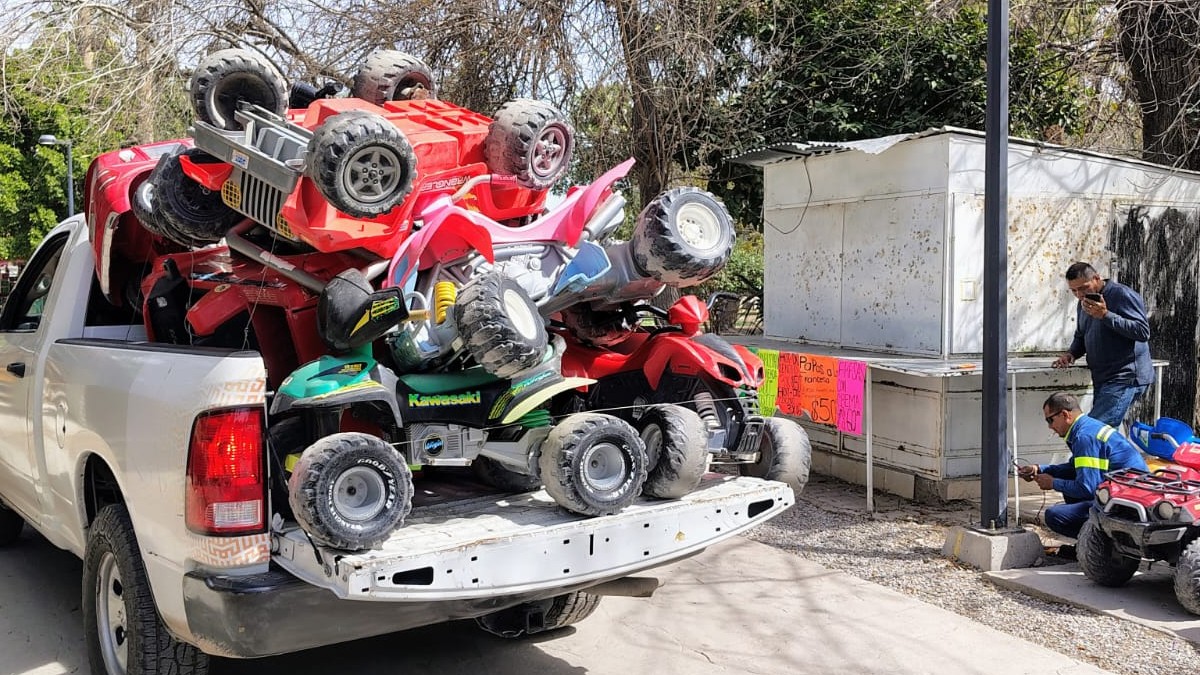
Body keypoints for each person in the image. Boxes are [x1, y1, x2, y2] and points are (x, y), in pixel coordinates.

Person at [1018, 392, 1147, 545]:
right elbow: (1075, 468)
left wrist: (1053, 483)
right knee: (1069, 480)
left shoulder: (1084, 437)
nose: (1050, 426)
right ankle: (1094, 540)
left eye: (1050, 420)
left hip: (1126, 502)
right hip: (1126, 492)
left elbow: (1087, 488)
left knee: (1055, 516)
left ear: (1065, 414)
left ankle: (1100, 546)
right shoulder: (1087, 427)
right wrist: (1040, 469)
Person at [1051, 262, 1152, 429]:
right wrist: (1071, 354)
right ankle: (1117, 456)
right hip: (1103, 378)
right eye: (1074, 291)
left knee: (1092, 432)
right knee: (1104, 435)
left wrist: (1105, 315)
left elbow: (1142, 332)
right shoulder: (1083, 302)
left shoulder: (1121, 294)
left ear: (1097, 278)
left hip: (1125, 377)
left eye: (1083, 288)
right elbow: (1082, 335)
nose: (1079, 294)